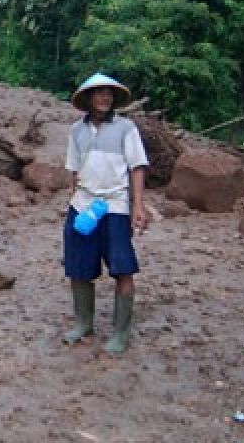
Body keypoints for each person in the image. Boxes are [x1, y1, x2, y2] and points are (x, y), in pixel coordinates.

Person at [62, 73, 149, 354]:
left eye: (108, 93)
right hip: (83, 206)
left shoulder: (126, 128)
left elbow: (137, 167)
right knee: (78, 266)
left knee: (123, 268)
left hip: (115, 208)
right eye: (98, 93)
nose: (105, 97)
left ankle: (120, 333)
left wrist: (138, 206)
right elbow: (74, 171)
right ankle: (83, 323)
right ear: (87, 98)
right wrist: (73, 202)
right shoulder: (76, 130)